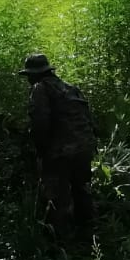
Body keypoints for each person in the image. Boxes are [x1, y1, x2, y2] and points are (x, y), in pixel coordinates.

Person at [18, 53, 97, 240]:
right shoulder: (71, 88)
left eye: (29, 75)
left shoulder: (40, 89)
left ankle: (61, 245)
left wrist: (40, 150)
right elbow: (88, 120)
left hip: (61, 151)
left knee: (57, 197)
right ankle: (90, 237)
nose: (28, 79)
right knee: (82, 190)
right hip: (84, 147)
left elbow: (40, 122)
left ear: (36, 74)